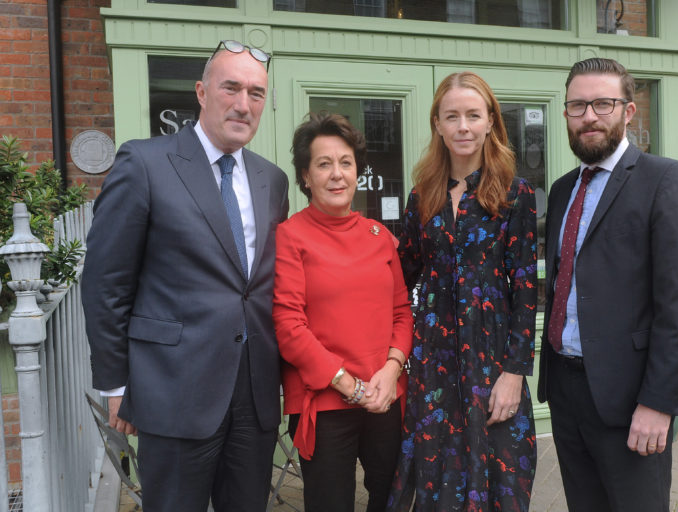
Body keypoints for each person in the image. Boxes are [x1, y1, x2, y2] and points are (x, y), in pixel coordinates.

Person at [82, 40, 289, 512]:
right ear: (201, 91)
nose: (243, 104)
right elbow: (105, 284)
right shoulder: (145, 163)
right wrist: (115, 385)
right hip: (172, 391)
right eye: (231, 88)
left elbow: (260, 285)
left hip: (253, 395)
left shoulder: (271, 180)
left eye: (256, 93)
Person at [538, 57, 678, 511]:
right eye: (577, 106)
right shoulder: (560, 190)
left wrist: (659, 403)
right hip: (567, 393)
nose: (589, 116)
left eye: (602, 104)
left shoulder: (666, 181)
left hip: (632, 400)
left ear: (628, 111)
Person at [387, 72, 538, 511]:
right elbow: (401, 273)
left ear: (491, 121)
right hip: (434, 362)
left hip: (492, 362)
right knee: (436, 480)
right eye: (452, 116)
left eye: (473, 115)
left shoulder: (514, 194)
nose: (463, 126)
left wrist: (514, 374)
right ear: (437, 123)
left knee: (502, 479)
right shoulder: (423, 196)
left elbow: (527, 291)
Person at [272, 112, 413, 512]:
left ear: (358, 172)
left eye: (346, 163)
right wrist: (348, 385)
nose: (337, 174)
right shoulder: (290, 236)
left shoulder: (379, 236)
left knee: (394, 500)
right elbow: (288, 325)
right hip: (325, 400)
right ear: (305, 176)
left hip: (385, 397)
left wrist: (391, 371)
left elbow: (402, 313)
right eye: (323, 164)